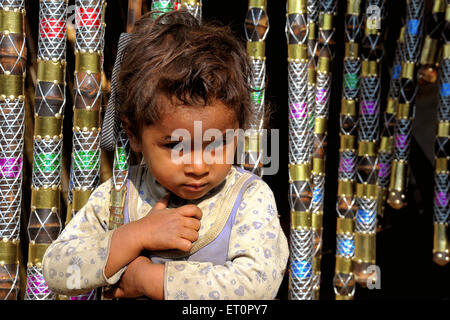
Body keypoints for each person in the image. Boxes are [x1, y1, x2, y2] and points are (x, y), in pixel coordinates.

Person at [43, 9, 289, 300]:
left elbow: (256, 287)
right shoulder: (121, 196)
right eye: (175, 146)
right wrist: (136, 235)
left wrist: (149, 280)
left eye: (217, 143)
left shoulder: (248, 197)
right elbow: (57, 270)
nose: (198, 165)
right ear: (134, 135)